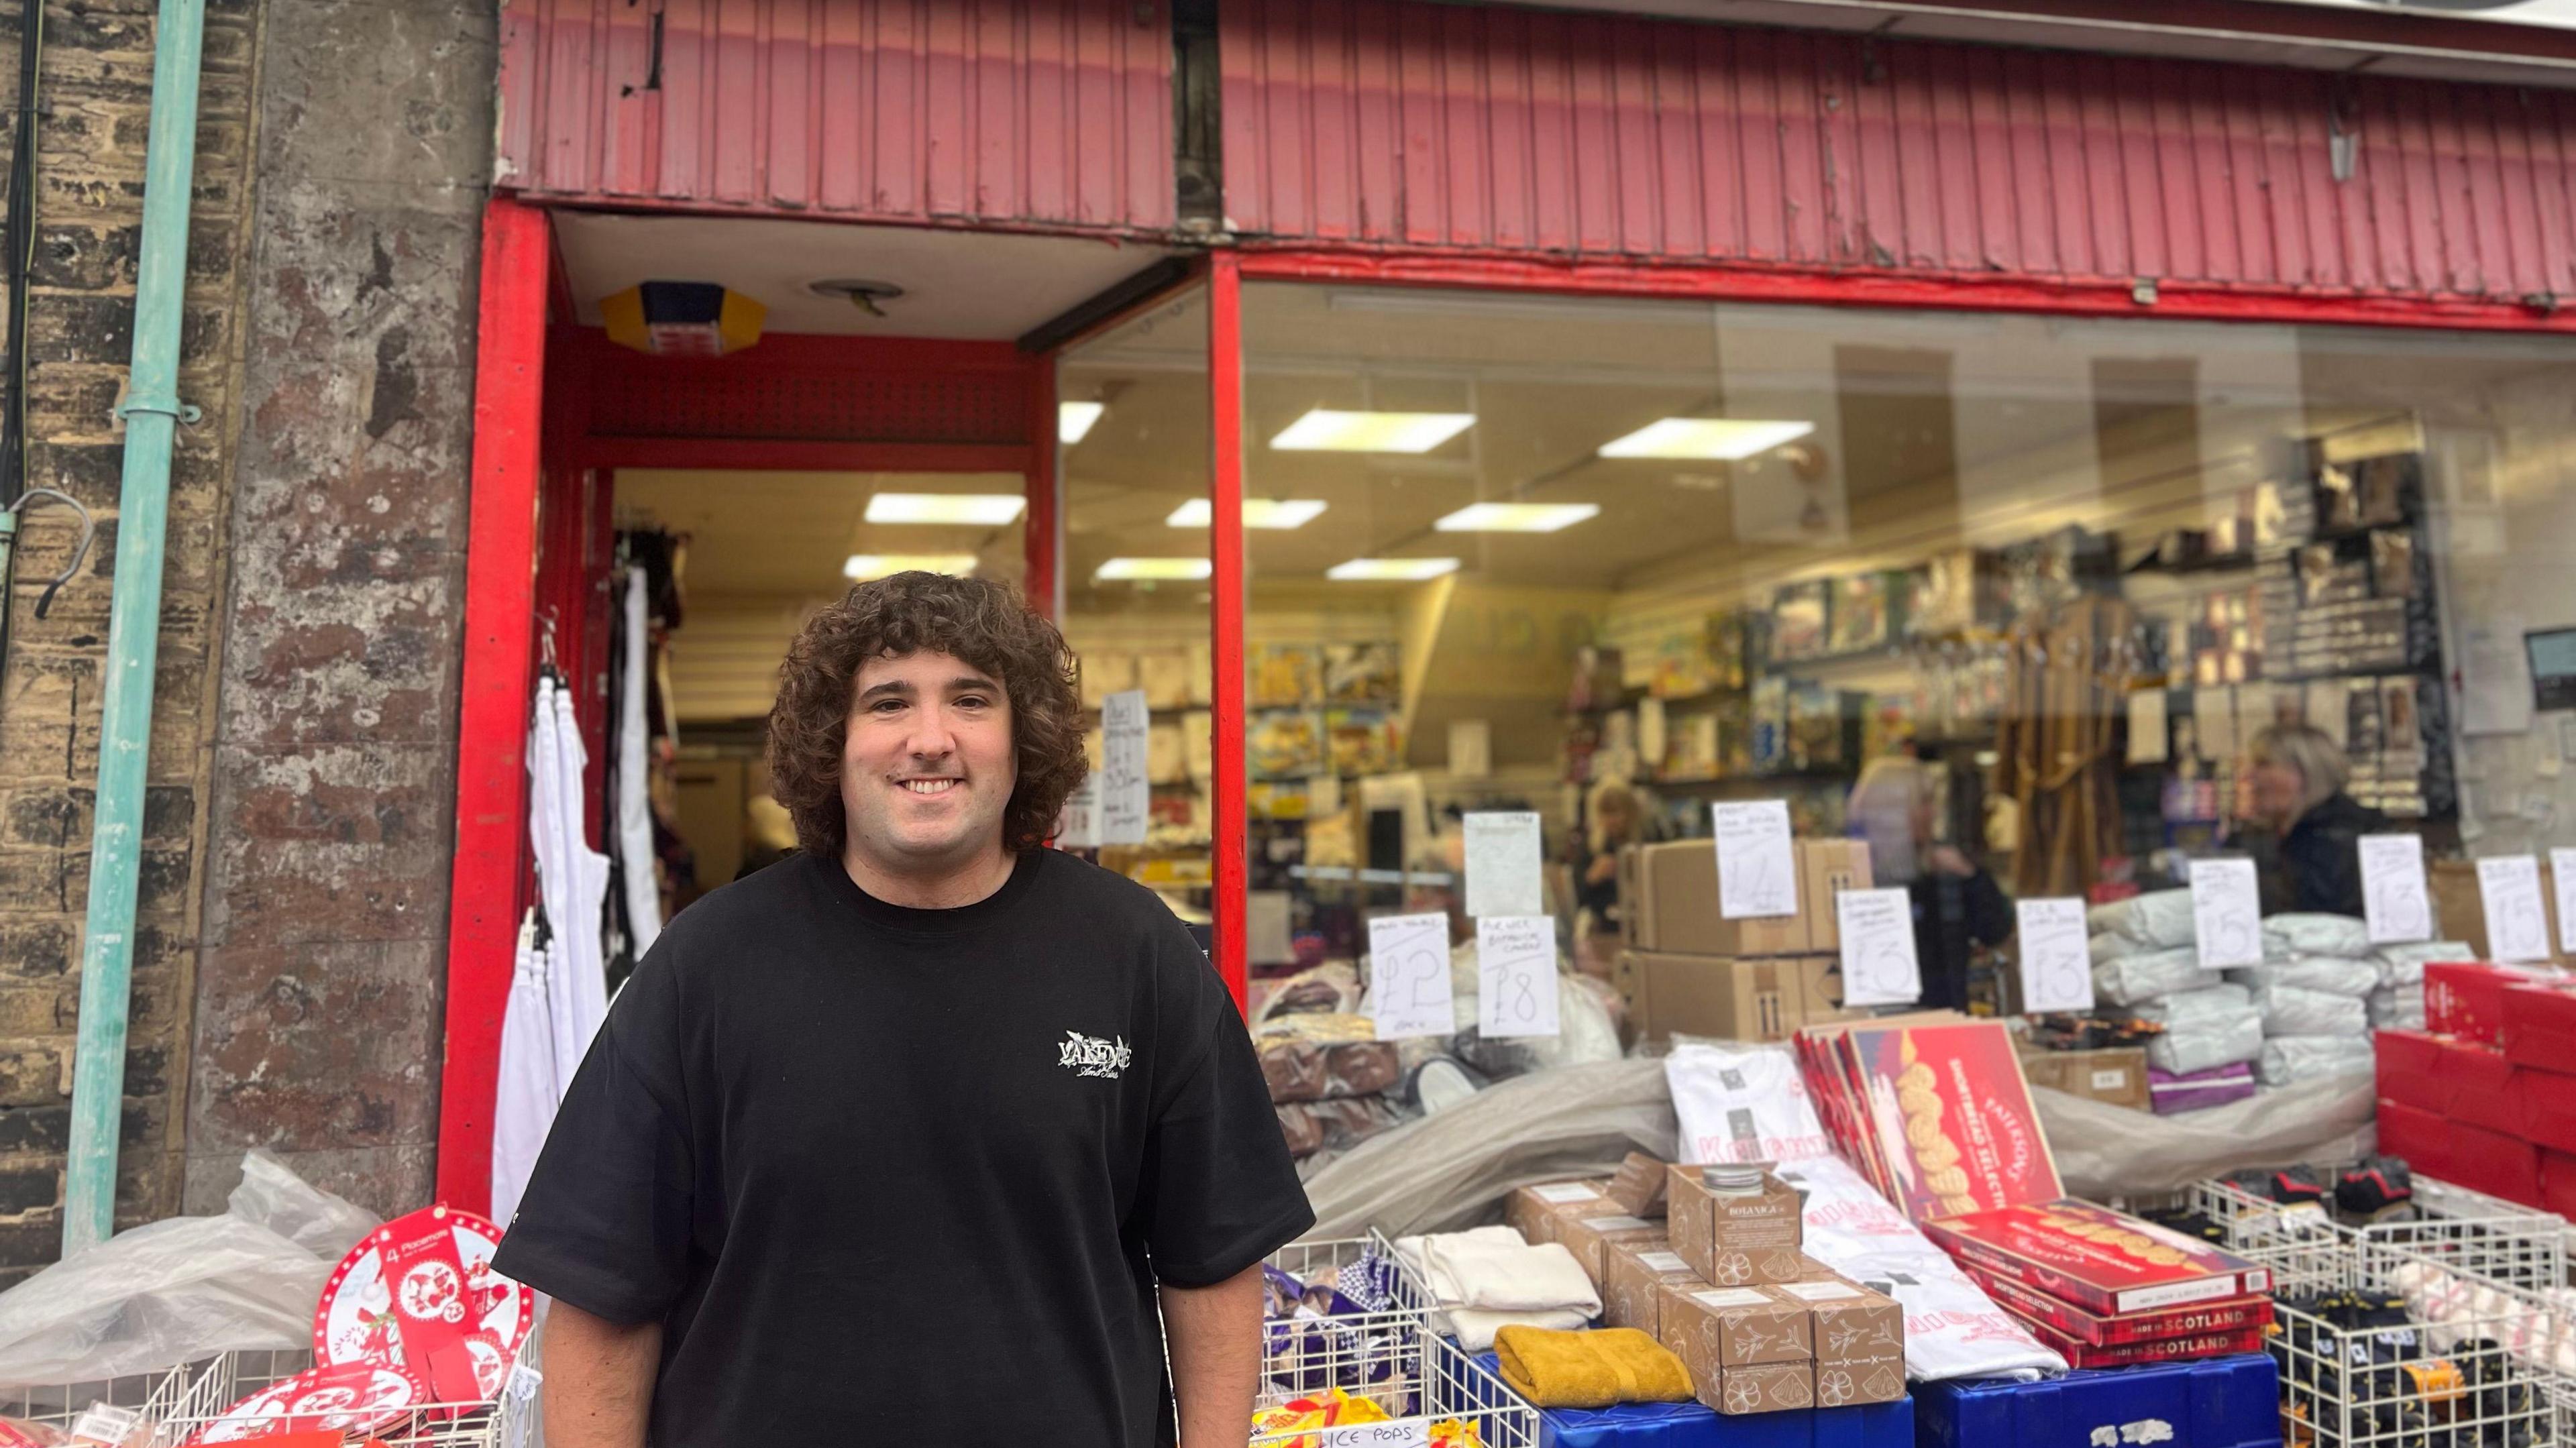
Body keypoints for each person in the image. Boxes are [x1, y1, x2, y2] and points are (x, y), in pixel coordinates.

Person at [492, 571, 1313, 1448]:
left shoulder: (1136, 953)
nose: (930, 738)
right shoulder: (707, 965)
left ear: (1022, 735)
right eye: (888, 702)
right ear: (832, 743)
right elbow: (601, 1292)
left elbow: (1214, 1260)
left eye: (970, 698)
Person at [1845, 755, 2012, 1013]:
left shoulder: (1943, 873)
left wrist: (1971, 877)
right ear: (1896, 810)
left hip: (1946, 1025)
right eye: (1924, 802)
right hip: (1885, 1026)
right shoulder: (1854, 881)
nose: (1933, 812)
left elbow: (1996, 930)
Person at [2243, 722, 2388, 917]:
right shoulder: (2273, 838)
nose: (2249, 775)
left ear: (2303, 772)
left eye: (2263, 764)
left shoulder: (2339, 842)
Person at [1571, 779, 1644, 978]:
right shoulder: (1591, 847)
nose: (1611, 820)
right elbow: (1578, 897)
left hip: (1640, 925)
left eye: (1616, 813)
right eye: (1605, 813)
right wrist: (1592, 877)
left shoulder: (1645, 842)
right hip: (1603, 928)